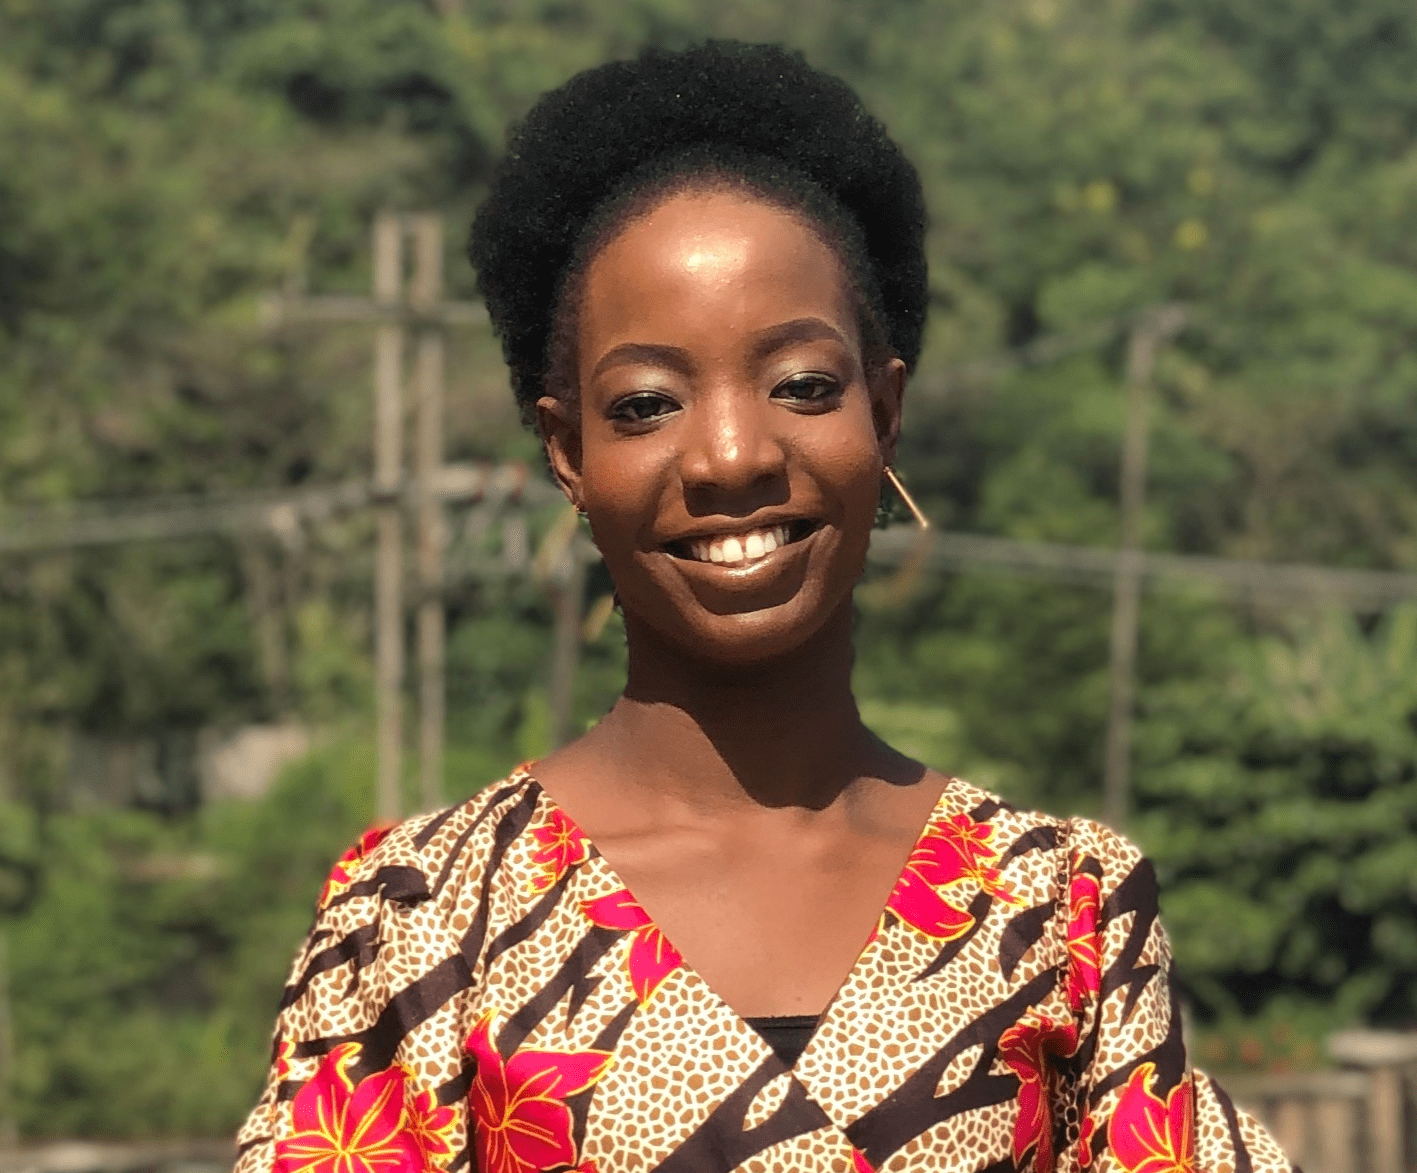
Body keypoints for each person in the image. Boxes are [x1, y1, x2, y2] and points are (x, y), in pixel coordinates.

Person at [237, 42, 1292, 1173]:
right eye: (646, 404)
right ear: (567, 452)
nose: (732, 455)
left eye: (802, 386)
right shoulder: (428, 919)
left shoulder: (1058, 910)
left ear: (885, 410)